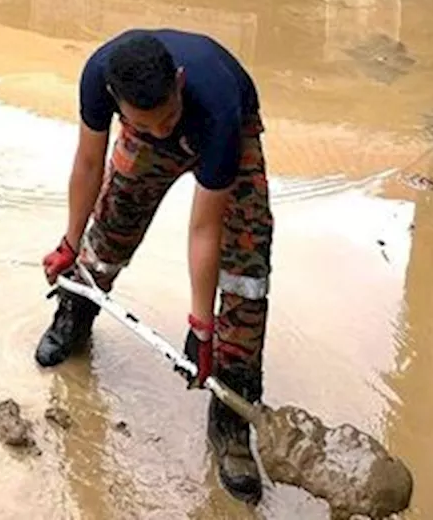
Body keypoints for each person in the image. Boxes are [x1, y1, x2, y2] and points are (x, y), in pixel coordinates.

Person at [35, 29, 274, 506]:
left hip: (223, 128)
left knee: (246, 271)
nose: (165, 132)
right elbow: (88, 163)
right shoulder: (98, 78)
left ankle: (232, 412)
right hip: (150, 124)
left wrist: (201, 327)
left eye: (167, 117)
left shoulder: (218, 106)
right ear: (115, 102)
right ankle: (74, 316)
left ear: (179, 82)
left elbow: (205, 226)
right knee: (111, 226)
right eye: (149, 122)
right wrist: (68, 241)